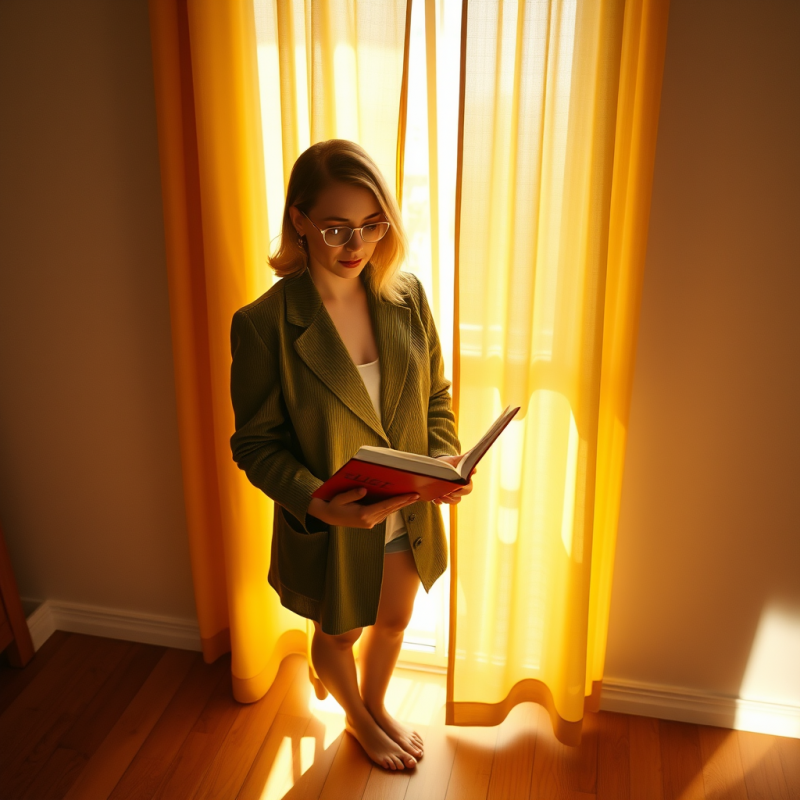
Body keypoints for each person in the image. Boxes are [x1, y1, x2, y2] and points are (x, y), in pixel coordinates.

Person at [229, 139, 475, 772]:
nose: (354, 245)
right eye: (336, 227)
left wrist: (443, 464)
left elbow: (437, 396)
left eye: (371, 225)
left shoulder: (406, 296)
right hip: (334, 519)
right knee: (338, 631)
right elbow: (255, 444)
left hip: (411, 507)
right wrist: (320, 503)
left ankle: (376, 702)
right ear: (299, 220)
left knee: (393, 620)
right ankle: (360, 723)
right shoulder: (264, 324)